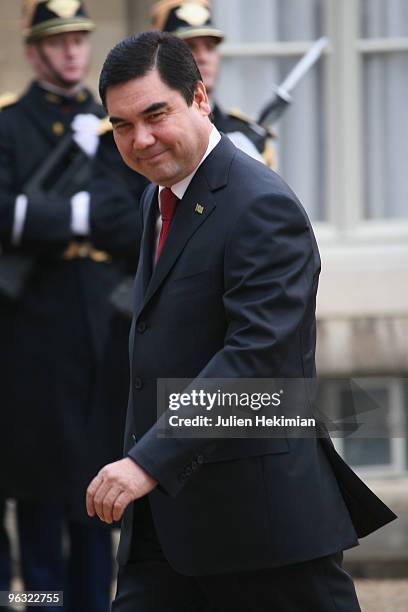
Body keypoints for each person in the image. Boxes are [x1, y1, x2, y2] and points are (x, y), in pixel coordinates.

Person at [86, 31, 396, 612]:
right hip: (166, 527)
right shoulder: (157, 197)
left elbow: (257, 360)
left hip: (259, 525)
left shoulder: (260, 204)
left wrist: (145, 460)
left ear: (200, 97)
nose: (141, 139)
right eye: (122, 125)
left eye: (155, 114)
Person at [0, 2, 146, 611]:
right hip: (31, 330)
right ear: (33, 52)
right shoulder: (10, 126)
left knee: (97, 488)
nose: (71, 53)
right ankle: (42, 605)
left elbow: (135, 212)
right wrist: (79, 213)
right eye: (57, 43)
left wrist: (53, 218)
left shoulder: (113, 121)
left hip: (100, 328)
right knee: (36, 494)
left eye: (79, 41)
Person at [151, 0, 276, 166]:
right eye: (189, 47)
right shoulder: (139, 134)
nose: (203, 57)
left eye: (209, 47)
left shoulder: (246, 133)